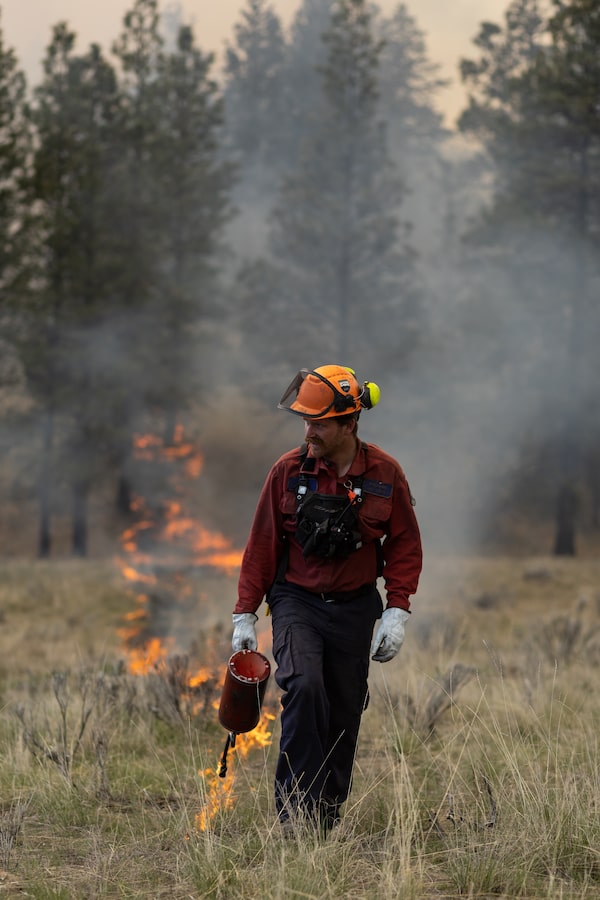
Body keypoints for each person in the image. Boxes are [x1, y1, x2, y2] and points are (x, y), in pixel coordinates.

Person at [231, 365, 422, 833]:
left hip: (356, 608)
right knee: (305, 687)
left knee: (343, 706)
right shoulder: (287, 472)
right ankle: (295, 813)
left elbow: (403, 545)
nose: (308, 431)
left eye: (318, 423)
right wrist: (244, 614)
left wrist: (396, 609)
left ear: (349, 424)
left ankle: (325, 816)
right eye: (305, 421)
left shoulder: (384, 474)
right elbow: (262, 545)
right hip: (297, 603)